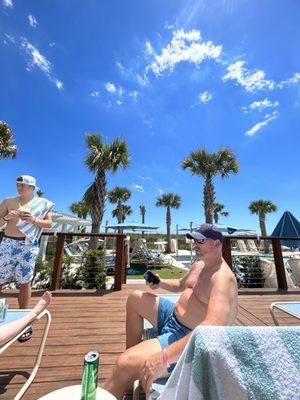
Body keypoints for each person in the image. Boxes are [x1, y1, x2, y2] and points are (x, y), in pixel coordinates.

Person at [103, 224, 238, 399]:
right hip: (171, 317)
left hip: (184, 335)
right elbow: (181, 285)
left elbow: (211, 329)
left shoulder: (222, 279)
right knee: (135, 298)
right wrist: (160, 283)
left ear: (217, 244)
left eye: (201, 241)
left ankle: (128, 368)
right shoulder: (200, 265)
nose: (195, 244)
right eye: (194, 240)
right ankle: (132, 371)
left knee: (123, 363)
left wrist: (164, 358)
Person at [0, 175, 54, 341]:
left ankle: (23, 322)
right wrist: (7, 218)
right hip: (8, 242)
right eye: (18, 184)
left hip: (28, 244)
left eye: (23, 185)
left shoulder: (43, 204)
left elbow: (48, 223)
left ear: (32, 187)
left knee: (25, 281)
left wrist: (34, 220)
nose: (19, 187)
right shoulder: (8, 201)